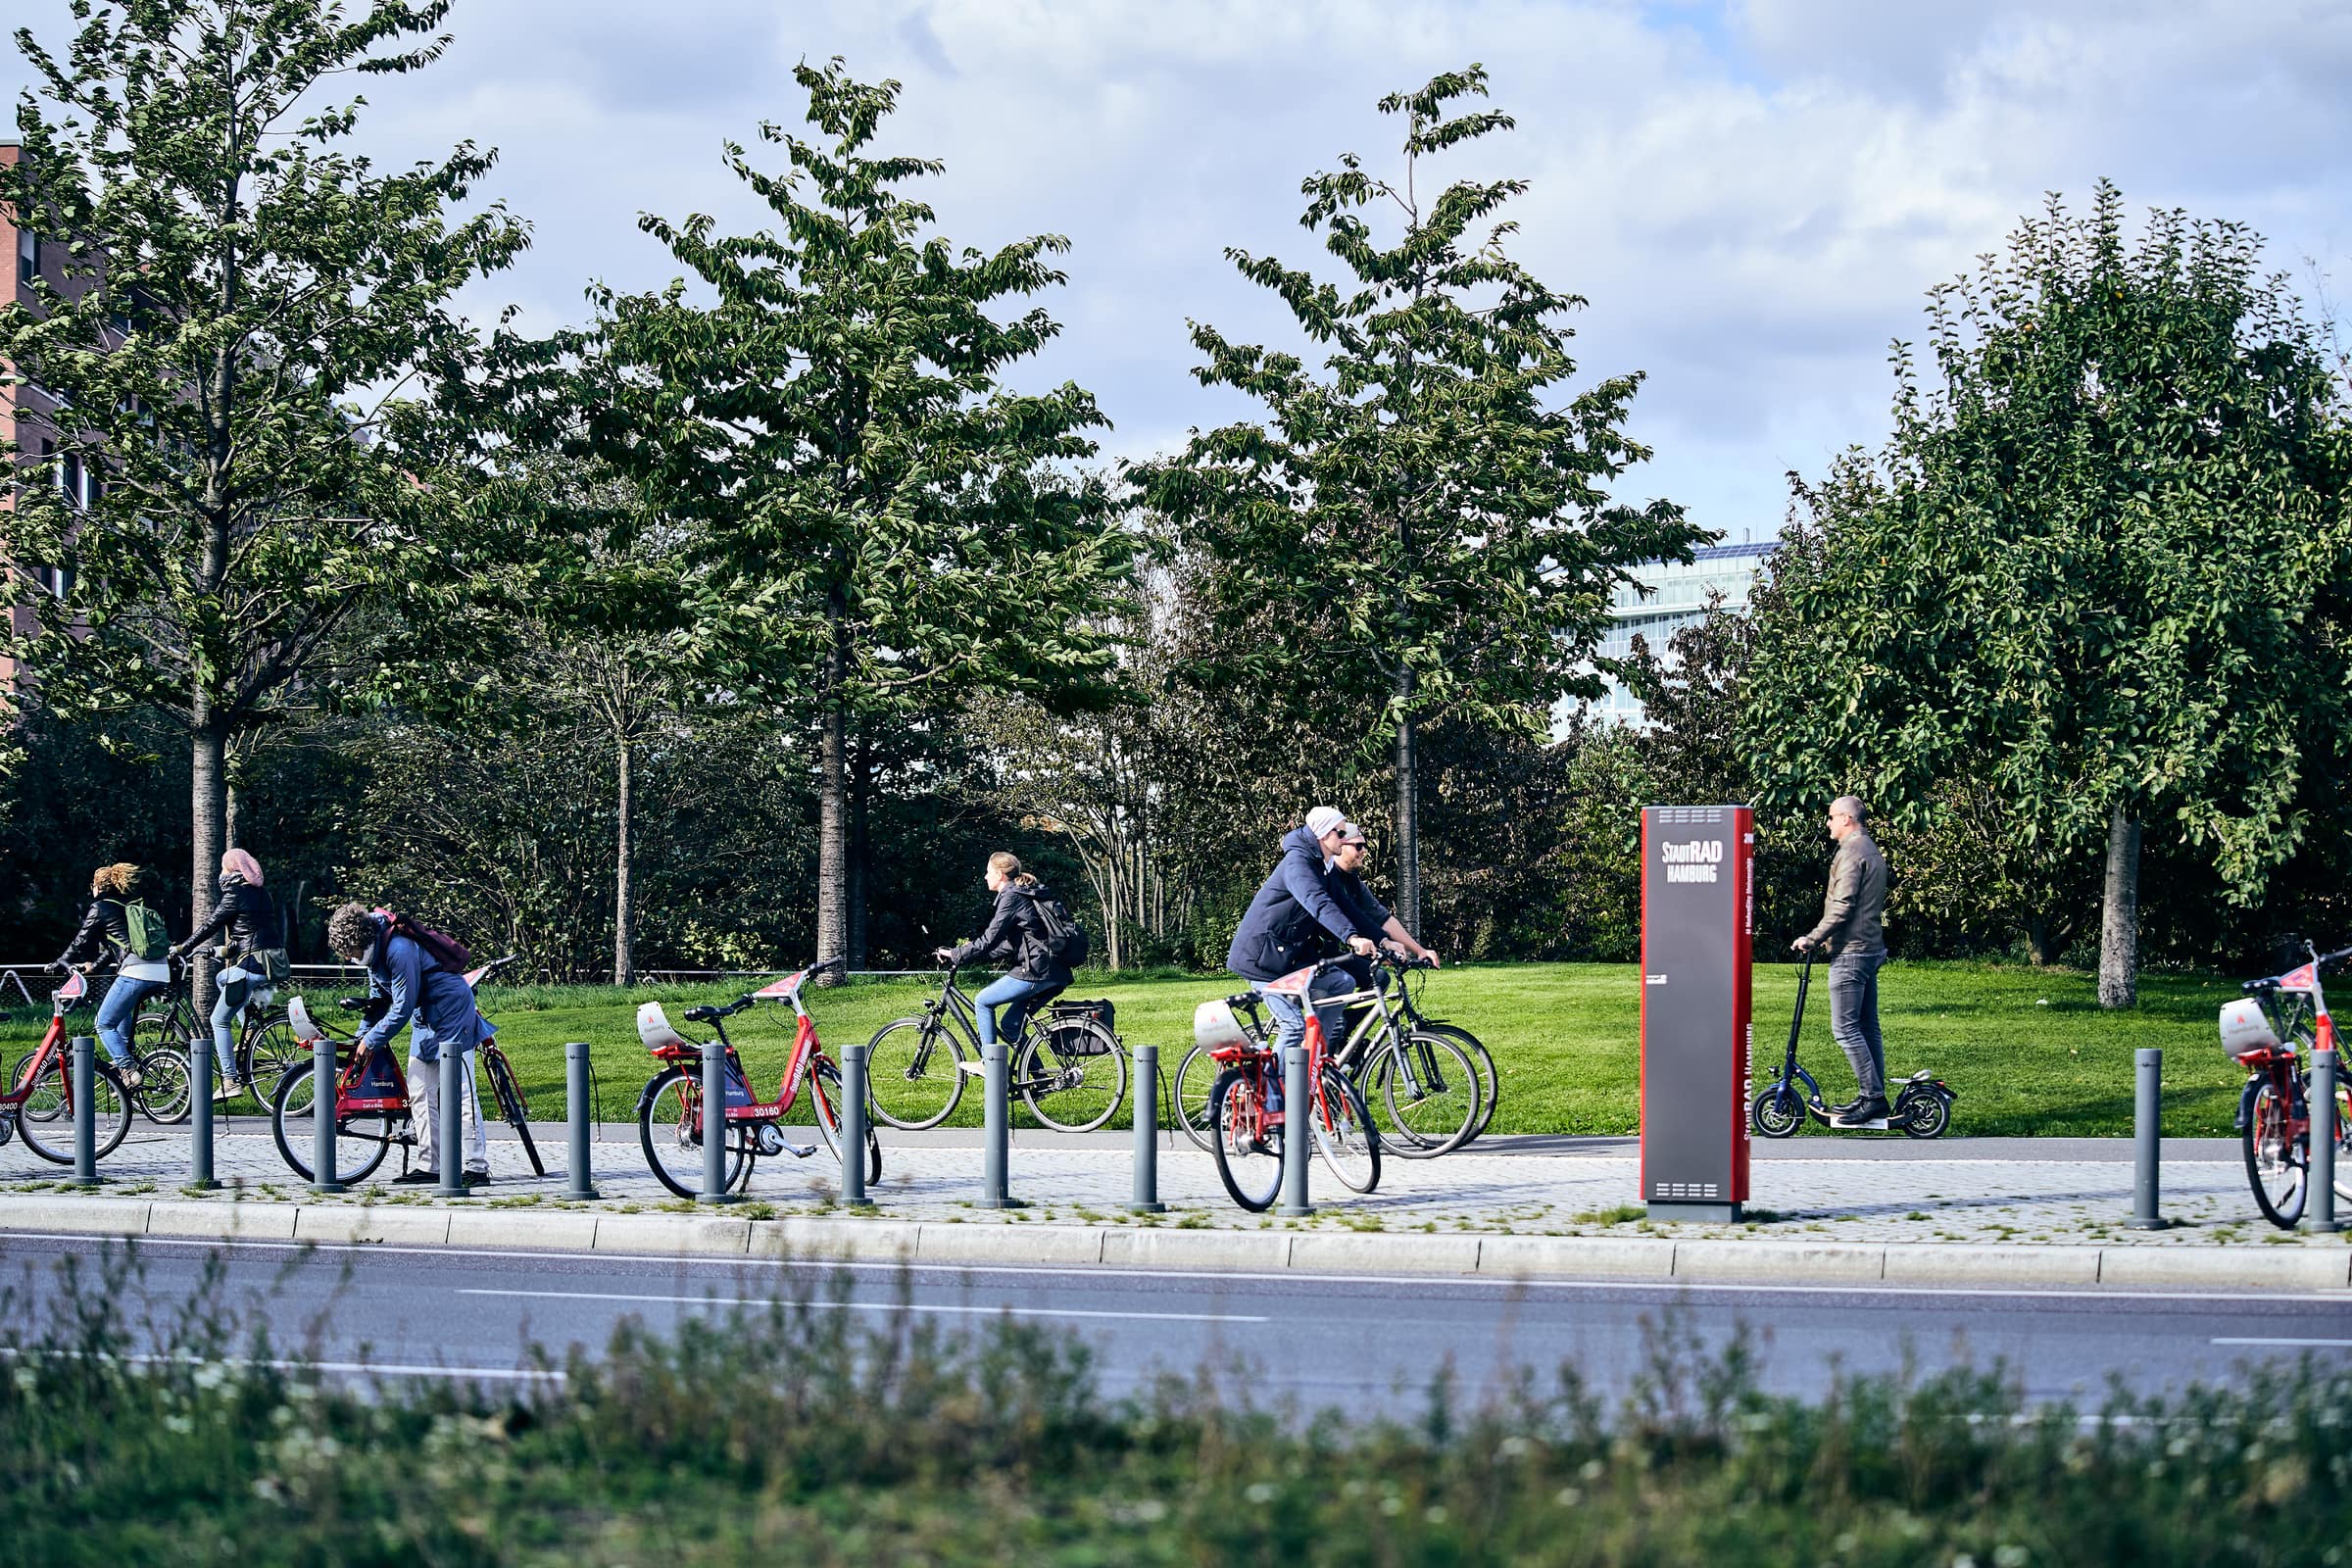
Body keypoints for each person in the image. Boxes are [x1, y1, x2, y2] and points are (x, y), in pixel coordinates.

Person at [324, 903, 490, 1187]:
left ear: (360, 942)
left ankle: (476, 1167)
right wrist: (360, 1039)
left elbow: (401, 1007)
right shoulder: (374, 953)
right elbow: (378, 1001)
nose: (349, 958)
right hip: (426, 1018)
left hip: (451, 1011)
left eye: (349, 952)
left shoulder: (398, 950)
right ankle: (431, 1165)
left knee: (460, 1090)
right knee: (420, 1090)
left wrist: (373, 1041)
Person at [1226, 807, 1378, 1111]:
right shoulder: (1298, 864)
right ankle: (1273, 1101)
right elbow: (1318, 904)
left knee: (1341, 983)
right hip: (1262, 960)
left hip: (1290, 958)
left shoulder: (1323, 865)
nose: (1346, 837)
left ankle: (1311, 1065)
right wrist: (1351, 938)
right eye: (1341, 832)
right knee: (1293, 1026)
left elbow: (1348, 909)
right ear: (1323, 834)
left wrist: (1383, 940)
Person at [1792, 795, 1889, 1128]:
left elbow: (1843, 905)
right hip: (1870, 947)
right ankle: (1872, 1095)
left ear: (1847, 818)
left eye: (1832, 817)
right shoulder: (1870, 848)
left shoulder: (1851, 853)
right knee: (1867, 1027)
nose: (1828, 823)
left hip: (1852, 950)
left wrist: (1812, 938)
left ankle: (1873, 1097)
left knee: (1846, 1029)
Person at [172, 848, 285, 1102]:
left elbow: (210, 924)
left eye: (224, 868)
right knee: (222, 978)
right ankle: (251, 1027)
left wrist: (183, 947)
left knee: (219, 1020)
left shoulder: (234, 893)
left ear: (232, 870)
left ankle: (230, 1079)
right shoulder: (262, 893)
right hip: (271, 961)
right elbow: (253, 929)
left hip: (253, 965)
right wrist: (223, 950)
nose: (221, 873)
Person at [936, 852, 1073, 1054]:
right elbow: (1010, 945)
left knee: (983, 1001)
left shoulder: (1011, 896)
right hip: (1055, 971)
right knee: (1010, 1024)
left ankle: (989, 1063)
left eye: (988, 871)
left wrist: (956, 954)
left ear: (999, 874)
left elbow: (990, 937)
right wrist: (975, 956)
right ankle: (1034, 1080)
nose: (985, 876)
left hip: (1036, 970)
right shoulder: (1024, 893)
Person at [54, 862, 171, 1088]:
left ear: (97, 886)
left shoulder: (100, 907)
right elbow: (114, 949)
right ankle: (127, 1064)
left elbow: (81, 940)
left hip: (136, 972)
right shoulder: (127, 906)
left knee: (104, 1024)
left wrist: (61, 960)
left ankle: (127, 1069)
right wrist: (94, 969)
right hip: (160, 970)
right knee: (120, 1026)